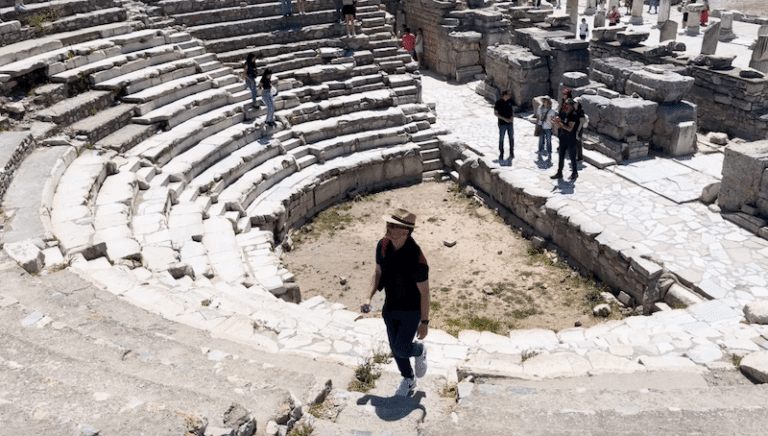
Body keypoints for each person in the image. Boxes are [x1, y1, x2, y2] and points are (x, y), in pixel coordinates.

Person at [361, 208, 429, 397]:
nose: (388, 227)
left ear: (405, 231)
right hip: (390, 307)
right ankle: (408, 379)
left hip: (411, 310)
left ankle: (419, 350)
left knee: (401, 348)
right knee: (395, 348)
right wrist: (368, 296)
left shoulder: (417, 258)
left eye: (393, 225)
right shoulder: (383, 245)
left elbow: (425, 293)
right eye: (388, 223)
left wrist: (424, 322)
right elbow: (378, 272)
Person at [551, 99, 579, 181]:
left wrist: (561, 125)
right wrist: (554, 121)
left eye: (566, 104)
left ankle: (574, 173)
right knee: (561, 156)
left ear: (570, 105)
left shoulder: (573, 115)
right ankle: (559, 173)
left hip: (571, 139)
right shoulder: (563, 113)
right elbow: (559, 121)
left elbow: (569, 128)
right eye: (564, 103)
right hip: (563, 138)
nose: (565, 105)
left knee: (572, 157)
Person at [494, 90, 514, 161]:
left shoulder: (510, 101)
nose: (509, 96)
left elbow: (512, 111)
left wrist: (512, 117)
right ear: (504, 95)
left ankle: (511, 152)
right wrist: (505, 119)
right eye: (508, 95)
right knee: (501, 138)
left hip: (510, 124)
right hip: (502, 124)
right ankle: (501, 153)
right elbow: (495, 113)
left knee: (511, 138)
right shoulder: (498, 102)